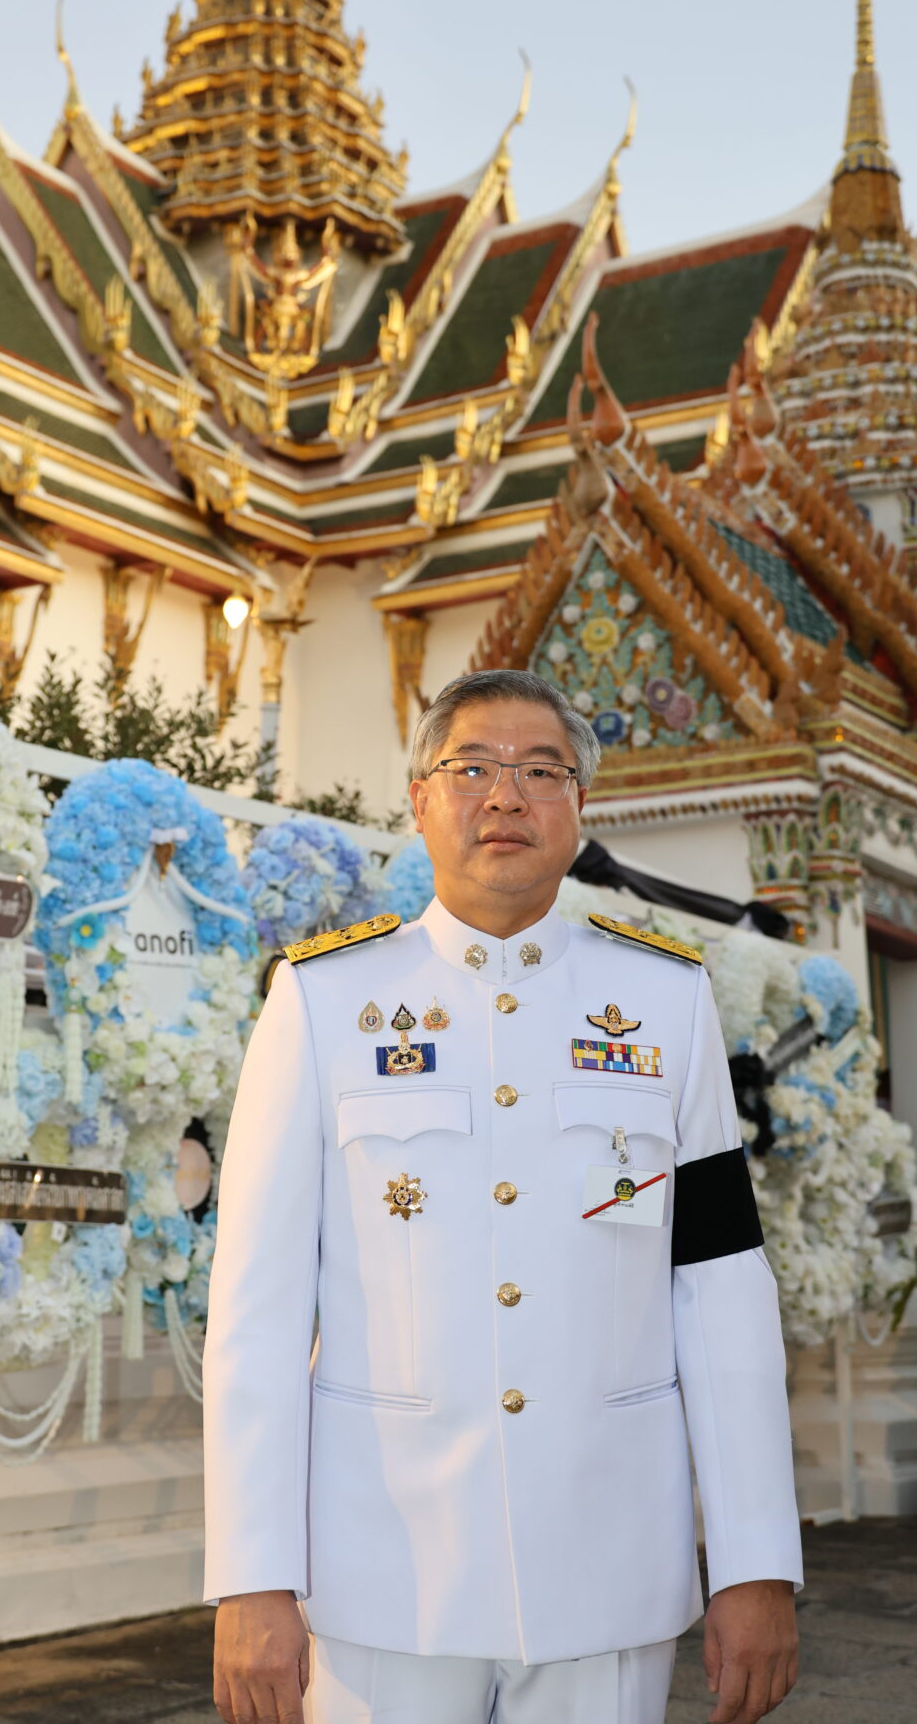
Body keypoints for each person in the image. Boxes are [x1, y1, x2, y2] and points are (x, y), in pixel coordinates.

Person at [204, 670, 801, 1724]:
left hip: (605, 1564)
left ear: (580, 808)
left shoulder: (666, 1002)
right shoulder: (324, 1000)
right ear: (420, 800)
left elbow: (718, 1287)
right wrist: (252, 1574)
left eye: (540, 771)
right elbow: (253, 1310)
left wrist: (752, 1557)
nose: (504, 796)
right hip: (384, 1572)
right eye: (470, 767)